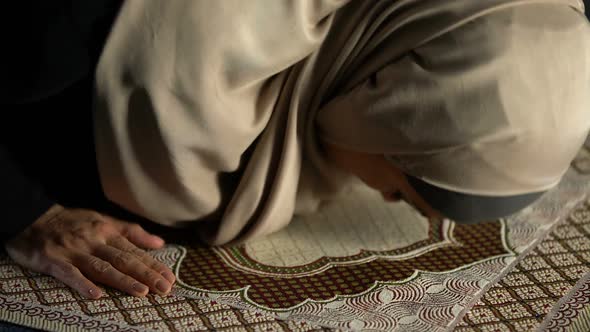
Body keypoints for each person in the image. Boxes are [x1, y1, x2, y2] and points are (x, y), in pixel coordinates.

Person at [2, 0, 589, 300]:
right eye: (404, 191)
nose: (381, 198)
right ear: (390, 101)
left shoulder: (356, 40)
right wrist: (26, 212)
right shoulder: (81, 27)